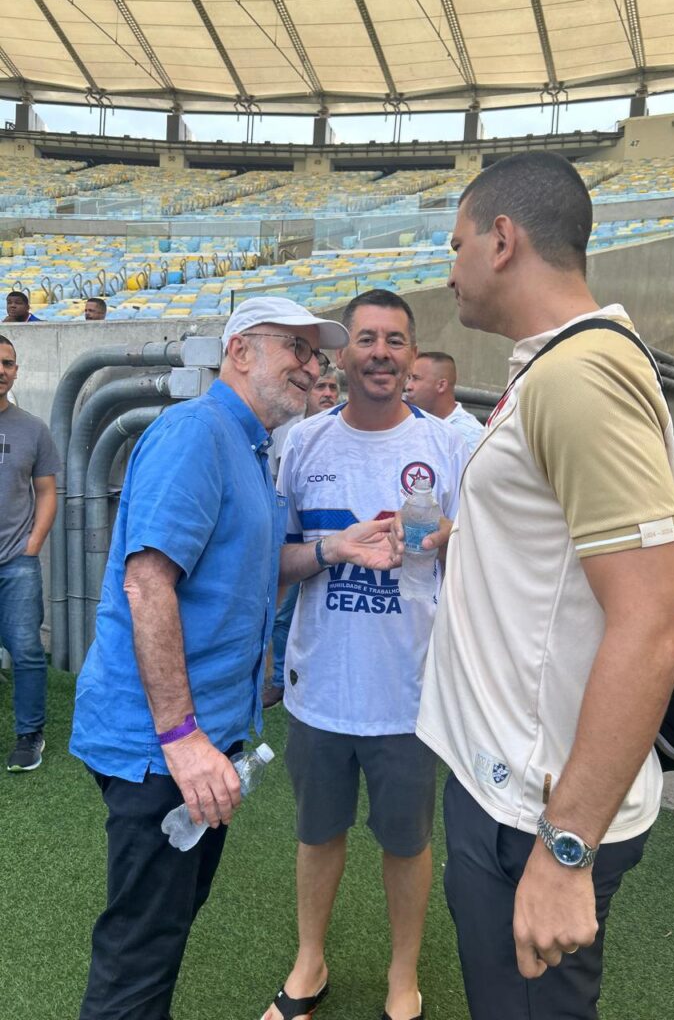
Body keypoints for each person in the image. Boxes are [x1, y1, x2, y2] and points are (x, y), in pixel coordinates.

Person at [408, 153, 674, 1020]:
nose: (446, 270)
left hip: (533, 809)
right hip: (504, 788)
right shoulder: (553, 365)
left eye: (455, 245)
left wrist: (565, 850)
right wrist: (464, 536)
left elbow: (653, 623)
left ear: (502, 241)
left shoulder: (581, 375)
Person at [69, 296, 392, 1020]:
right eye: (297, 350)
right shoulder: (198, 433)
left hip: (196, 746)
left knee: (163, 929)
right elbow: (148, 582)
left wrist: (335, 548)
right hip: (160, 751)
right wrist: (184, 740)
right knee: (141, 950)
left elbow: (246, 563)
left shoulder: (246, 446)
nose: (313, 368)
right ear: (240, 350)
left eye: (316, 354)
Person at [262, 289, 468, 1020]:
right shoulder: (302, 444)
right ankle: (309, 964)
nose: (381, 352)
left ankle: (401, 977)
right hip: (319, 683)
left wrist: (449, 536)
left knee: (407, 843)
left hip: (408, 691)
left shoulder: (450, 446)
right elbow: (270, 560)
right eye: (368, 339)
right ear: (342, 354)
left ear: (413, 357)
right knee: (317, 834)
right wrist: (330, 548)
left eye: (396, 341)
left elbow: (489, 559)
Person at [264, 369, 341, 710]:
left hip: (340, 541)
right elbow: (284, 487)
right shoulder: (294, 433)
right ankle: (280, 680)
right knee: (282, 615)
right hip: (298, 539)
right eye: (320, 386)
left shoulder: (345, 431)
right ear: (307, 393)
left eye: (333, 387)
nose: (327, 393)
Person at [0, 335, 60, 771]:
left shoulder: (33, 429)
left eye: (8, 363)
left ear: (16, 371)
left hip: (16, 561)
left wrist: (33, 544)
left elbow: (46, 492)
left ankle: (29, 735)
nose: (1, 370)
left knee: (25, 650)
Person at [404, 351, 485, 451]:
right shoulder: (411, 424)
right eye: (409, 378)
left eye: (416, 378)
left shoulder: (470, 436)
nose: (408, 386)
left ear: (441, 385)